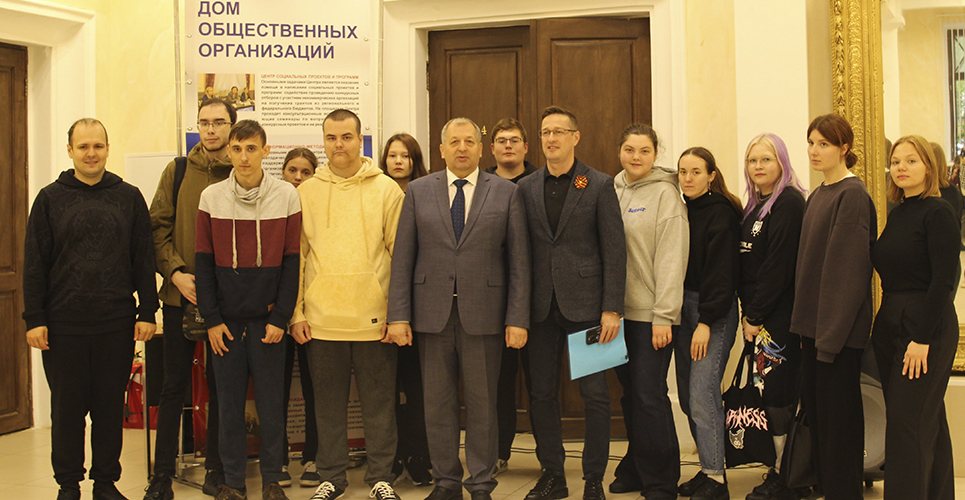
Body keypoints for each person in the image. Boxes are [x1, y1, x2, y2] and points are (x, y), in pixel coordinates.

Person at [386, 117, 531, 500]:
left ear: (481, 149)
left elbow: (519, 262)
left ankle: (480, 483)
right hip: (431, 316)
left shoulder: (506, 193)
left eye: (469, 141)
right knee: (437, 406)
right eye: (455, 142)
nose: (462, 148)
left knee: (483, 406)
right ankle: (446, 482)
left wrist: (517, 318)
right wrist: (398, 316)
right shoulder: (418, 191)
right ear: (442, 149)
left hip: (484, 317)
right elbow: (403, 258)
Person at [24, 118, 159, 500]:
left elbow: (143, 257)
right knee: (67, 412)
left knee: (108, 409)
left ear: (107, 149)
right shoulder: (49, 198)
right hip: (63, 325)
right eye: (83, 146)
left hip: (115, 323)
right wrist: (34, 318)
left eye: (97, 146)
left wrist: (147, 311)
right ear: (70, 150)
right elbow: (34, 262)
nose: (91, 153)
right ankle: (68, 485)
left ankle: (105, 483)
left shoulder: (128, 197)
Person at [289, 109, 404, 500]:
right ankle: (331, 476)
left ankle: (381, 477)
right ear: (324, 141)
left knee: (379, 405)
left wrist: (397, 314)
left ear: (360, 140)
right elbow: (298, 258)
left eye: (346, 137)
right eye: (331, 137)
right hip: (321, 320)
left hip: (376, 319)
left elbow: (401, 255)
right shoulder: (306, 192)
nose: (338, 144)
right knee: (326, 406)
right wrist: (297, 313)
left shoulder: (387, 190)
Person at [516, 106, 626, 500]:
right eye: (545, 132)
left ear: (575, 137)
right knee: (542, 395)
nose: (551, 139)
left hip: (590, 309)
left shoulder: (598, 184)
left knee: (595, 395)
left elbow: (615, 250)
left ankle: (594, 478)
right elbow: (521, 251)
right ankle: (553, 475)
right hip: (540, 309)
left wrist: (612, 308)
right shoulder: (526, 187)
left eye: (559, 131)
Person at [195, 119, 302, 500]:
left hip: (268, 323)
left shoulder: (286, 196)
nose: (244, 157)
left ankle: (272, 478)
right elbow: (203, 264)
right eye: (237, 149)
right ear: (229, 151)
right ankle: (234, 481)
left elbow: (292, 262)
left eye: (251, 149)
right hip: (225, 324)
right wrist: (212, 320)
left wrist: (280, 317)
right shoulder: (211, 197)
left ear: (265, 152)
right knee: (228, 406)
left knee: (272, 404)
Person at [143, 98, 236, 500]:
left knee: (222, 388)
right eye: (204, 122)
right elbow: (156, 228)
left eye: (219, 122)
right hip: (179, 297)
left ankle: (217, 470)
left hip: (227, 303)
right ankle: (162, 475)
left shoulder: (241, 171)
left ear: (232, 126)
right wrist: (176, 273)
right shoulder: (177, 170)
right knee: (173, 386)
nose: (211, 130)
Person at [791, 114, 876, 500]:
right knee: (821, 426)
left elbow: (847, 276)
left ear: (844, 148)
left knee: (840, 429)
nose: (814, 150)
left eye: (823, 144)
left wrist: (828, 340)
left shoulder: (851, 195)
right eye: (811, 142)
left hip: (836, 338)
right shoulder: (818, 194)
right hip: (813, 332)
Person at [872, 135, 959, 500]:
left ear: (929, 167)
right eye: (896, 161)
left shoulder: (939, 212)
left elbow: (944, 281)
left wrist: (921, 338)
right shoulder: (898, 213)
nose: (901, 167)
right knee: (925, 420)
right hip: (891, 322)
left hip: (925, 327)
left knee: (907, 427)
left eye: (911, 161)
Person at [609, 124, 688, 500]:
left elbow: (672, 258)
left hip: (650, 317)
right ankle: (638, 467)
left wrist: (664, 315)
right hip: (614, 315)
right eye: (629, 149)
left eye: (644, 150)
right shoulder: (611, 189)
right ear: (619, 151)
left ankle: (661, 480)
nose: (636, 157)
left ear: (655, 154)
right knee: (629, 395)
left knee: (649, 394)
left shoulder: (666, 195)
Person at [738, 134, 807, 500]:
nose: (759, 166)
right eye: (753, 160)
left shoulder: (789, 203)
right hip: (759, 318)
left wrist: (754, 315)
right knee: (766, 395)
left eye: (766, 159)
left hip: (778, 320)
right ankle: (779, 468)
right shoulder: (755, 205)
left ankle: (788, 478)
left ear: (782, 162)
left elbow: (777, 268)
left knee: (778, 397)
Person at [675, 147, 741, 500]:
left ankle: (716, 480)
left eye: (696, 172)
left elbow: (722, 273)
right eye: (683, 172)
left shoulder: (721, 212)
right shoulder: (682, 210)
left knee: (702, 393)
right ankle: (707, 468)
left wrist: (705, 321)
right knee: (689, 397)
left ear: (711, 175)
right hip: (683, 309)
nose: (688, 178)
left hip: (711, 312)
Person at [377, 133, 433, 486]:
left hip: (422, 305)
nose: (398, 161)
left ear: (416, 161)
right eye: (392, 155)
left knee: (418, 387)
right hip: (381, 302)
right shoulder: (376, 193)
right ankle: (393, 456)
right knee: (387, 388)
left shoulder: (428, 193)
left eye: (405, 156)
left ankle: (419, 454)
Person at [484, 117, 538, 476]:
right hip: (492, 302)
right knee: (497, 384)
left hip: (539, 300)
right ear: (492, 149)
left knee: (540, 385)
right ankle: (498, 452)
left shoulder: (539, 183)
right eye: (502, 140)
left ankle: (549, 459)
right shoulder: (481, 185)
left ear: (525, 147)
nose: (508, 146)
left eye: (514, 140)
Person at [278, 147, 321, 488]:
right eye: (292, 170)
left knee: (314, 387)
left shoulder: (320, 207)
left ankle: (314, 456)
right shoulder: (273, 205)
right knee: (275, 388)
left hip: (313, 311)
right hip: (276, 311)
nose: (298, 177)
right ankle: (277, 457)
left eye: (306, 172)